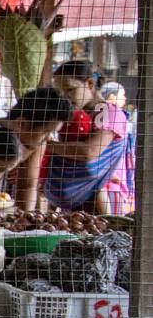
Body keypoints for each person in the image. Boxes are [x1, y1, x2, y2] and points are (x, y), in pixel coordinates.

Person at [44, 60, 135, 214]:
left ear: (91, 84)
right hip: (76, 196)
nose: (65, 97)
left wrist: (45, 144)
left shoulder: (107, 112)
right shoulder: (74, 114)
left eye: (70, 89)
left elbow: (89, 152)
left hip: (102, 197)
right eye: (60, 93)